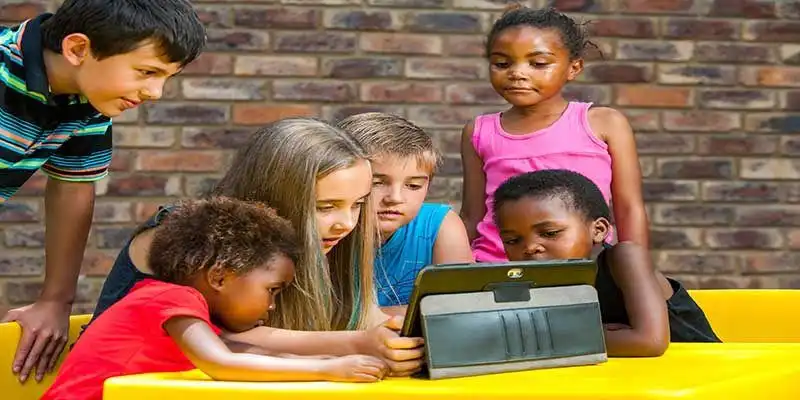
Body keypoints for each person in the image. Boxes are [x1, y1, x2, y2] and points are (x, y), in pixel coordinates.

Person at [88, 117, 424, 376]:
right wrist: (349, 346)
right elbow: (222, 342)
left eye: (358, 204)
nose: (346, 223)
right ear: (277, 195)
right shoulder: (191, 236)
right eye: (325, 207)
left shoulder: (328, 243)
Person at [0, 0, 205, 383]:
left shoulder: (88, 101)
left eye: (166, 77)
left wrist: (55, 302)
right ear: (78, 49)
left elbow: (73, 187)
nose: (155, 92)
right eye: (147, 71)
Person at [42, 197, 388, 400]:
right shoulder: (169, 299)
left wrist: (345, 352)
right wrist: (326, 369)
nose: (272, 306)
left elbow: (249, 352)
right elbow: (222, 362)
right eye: (273, 290)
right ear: (220, 276)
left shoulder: (177, 310)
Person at [460, 6, 649, 263]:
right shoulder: (480, 131)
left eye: (538, 63)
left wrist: (634, 266)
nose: (517, 73)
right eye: (502, 63)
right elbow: (472, 214)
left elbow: (629, 207)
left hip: (583, 267)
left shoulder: (604, 124)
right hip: (498, 268)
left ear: (574, 68)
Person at [492, 169, 721, 357]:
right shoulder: (537, 279)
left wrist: (549, 337)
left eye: (550, 233)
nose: (530, 247)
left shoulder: (625, 257)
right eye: (512, 240)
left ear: (599, 230)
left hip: (703, 372)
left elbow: (649, 341)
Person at [337, 112, 473, 316]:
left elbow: (461, 309)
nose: (395, 197)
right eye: (377, 183)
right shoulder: (326, 233)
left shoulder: (439, 225)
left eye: (413, 185)